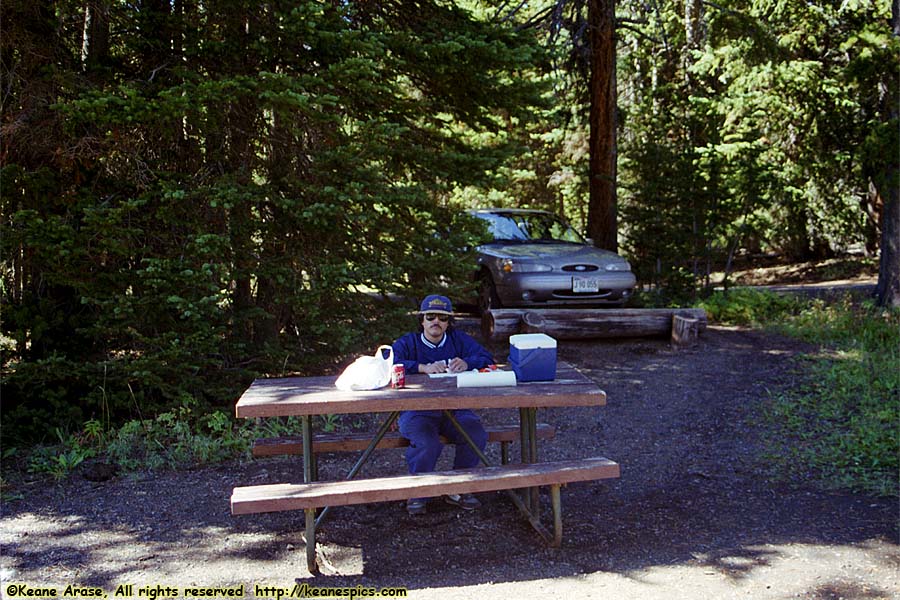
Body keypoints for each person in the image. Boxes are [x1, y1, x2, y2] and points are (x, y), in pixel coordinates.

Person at [391, 294, 494, 516]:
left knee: (475, 433)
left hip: (455, 409)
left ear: (449, 322)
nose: (436, 322)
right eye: (430, 316)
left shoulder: (458, 340)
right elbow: (390, 362)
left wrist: (468, 362)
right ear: (422, 320)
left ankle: (458, 487)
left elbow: (486, 357)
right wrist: (422, 368)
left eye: (442, 317)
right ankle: (419, 491)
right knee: (428, 443)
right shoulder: (408, 342)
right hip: (417, 411)